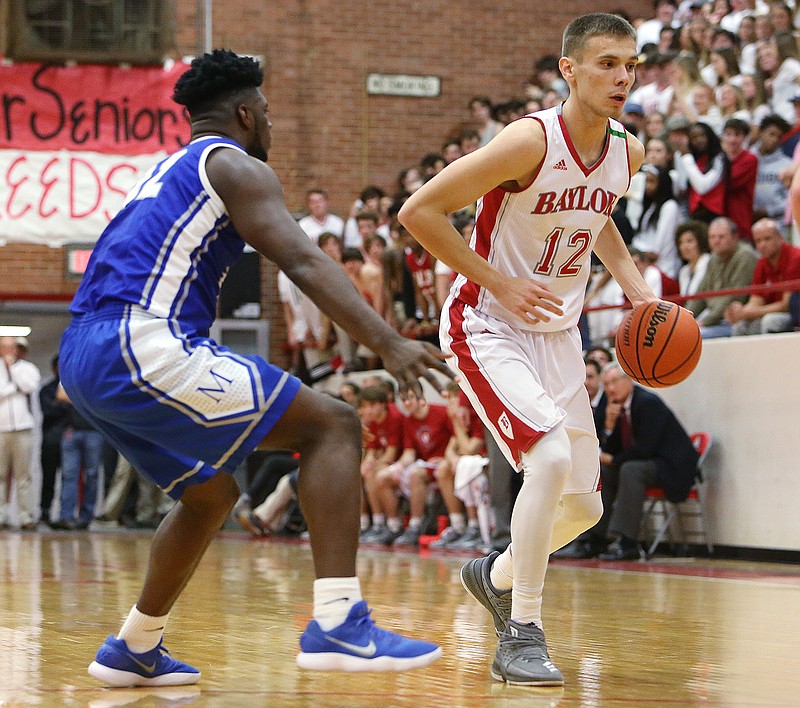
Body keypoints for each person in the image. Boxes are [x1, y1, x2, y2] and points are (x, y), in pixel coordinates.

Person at [58, 50, 447, 687]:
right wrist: (390, 341)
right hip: (140, 339)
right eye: (265, 112)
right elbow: (303, 260)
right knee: (333, 426)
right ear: (245, 112)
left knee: (210, 493)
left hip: (85, 351)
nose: (268, 123)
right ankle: (338, 623)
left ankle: (134, 646)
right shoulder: (235, 165)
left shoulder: (168, 169)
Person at [399, 13, 659, 686]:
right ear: (568, 71)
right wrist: (500, 283)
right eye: (607, 63)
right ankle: (523, 630)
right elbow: (419, 212)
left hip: (557, 332)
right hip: (486, 320)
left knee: (586, 505)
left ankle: (496, 574)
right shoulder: (527, 141)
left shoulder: (628, 150)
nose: (623, 77)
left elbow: (596, 220)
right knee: (543, 459)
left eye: (630, 64)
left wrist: (635, 289)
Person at [595, 363, 699, 560]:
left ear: (628, 380)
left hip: (671, 466)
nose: (610, 388)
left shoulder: (647, 402)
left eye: (614, 382)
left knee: (630, 469)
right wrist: (609, 426)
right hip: (647, 463)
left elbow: (646, 448)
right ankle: (596, 538)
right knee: (604, 471)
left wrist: (615, 459)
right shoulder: (612, 407)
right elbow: (609, 450)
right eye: (606, 384)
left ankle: (627, 542)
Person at [686, 216, 758, 337]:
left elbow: (735, 296)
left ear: (735, 237)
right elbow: (701, 294)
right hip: (716, 320)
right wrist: (685, 318)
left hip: (735, 321)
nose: (716, 241)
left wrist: (705, 322)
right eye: (712, 237)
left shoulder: (745, 255)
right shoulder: (714, 257)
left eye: (721, 237)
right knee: (684, 333)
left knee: (695, 336)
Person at [725, 218, 800, 334]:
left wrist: (747, 312)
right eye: (758, 241)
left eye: (767, 239)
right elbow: (756, 300)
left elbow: (786, 305)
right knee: (740, 326)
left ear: (780, 238)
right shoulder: (761, 263)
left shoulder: (795, 258)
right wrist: (739, 312)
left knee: (769, 321)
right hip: (771, 312)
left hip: (794, 315)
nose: (762, 245)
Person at [0, 336, 41, 530]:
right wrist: (13, 388)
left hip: (23, 428)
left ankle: (25, 516)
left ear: (16, 349)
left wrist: (11, 375)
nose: (8, 350)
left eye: (11, 347)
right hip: (1, 429)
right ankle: (1, 515)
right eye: (4, 347)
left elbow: (28, 386)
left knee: (23, 474)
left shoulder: (28, 368)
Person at [38, 355, 70, 527]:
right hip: (50, 439)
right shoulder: (46, 389)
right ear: (53, 368)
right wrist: (62, 403)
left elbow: (70, 407)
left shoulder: (73, 389)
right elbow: (48, 410)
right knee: (48, 477)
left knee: (68, 478)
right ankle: (45, 511)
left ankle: (65, 514)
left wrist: (59, 403)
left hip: (68, 439)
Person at [721, 118, 758, 241]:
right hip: (720, 217)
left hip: (740, 220)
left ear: (744, 137)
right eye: (728, 134)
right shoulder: (719, 158)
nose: (732, 139)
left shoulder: (750, 159)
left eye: (737, 135)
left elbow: (729, 183)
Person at [675, 220, 712, 296]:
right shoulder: (683, 271)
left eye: (689, 241)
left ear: (700, 241)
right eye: (681, 242)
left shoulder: (709, 262)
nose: (685, 246)